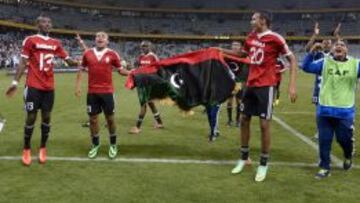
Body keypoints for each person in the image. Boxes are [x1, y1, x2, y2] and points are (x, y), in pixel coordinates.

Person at [230, 11, 298, 182]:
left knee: (263, 124)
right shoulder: (251, 36)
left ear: (263, 20)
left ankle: (263, 163)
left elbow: (293, 60)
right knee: (244, 119)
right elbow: (241, 55)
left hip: (266, 86)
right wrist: (218, 51)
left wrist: (292, 85)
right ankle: (244, 158)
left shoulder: (276, 38)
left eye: (253, 18)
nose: (251, 20)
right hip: (250, 84)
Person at [5, 15, 79, 166]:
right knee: (31, 117)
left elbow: (68, 60)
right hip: (33, 85)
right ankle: (26, 148)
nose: (47, 24)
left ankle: (43, 147)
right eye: (44, 22)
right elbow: (23, 62)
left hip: (49, 87)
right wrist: (15, 82)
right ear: (37, 25)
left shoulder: (56, 43)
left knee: (46, 117)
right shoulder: (30, 40)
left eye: (49, 22)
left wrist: (82, 60)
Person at [301, 40, 358, 179]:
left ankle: (348, 155)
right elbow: (306, 67)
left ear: (347, 50)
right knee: (324, 140)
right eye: (336, 45)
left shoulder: (355, 64)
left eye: (342, 45)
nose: (339, 46)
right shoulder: (324, 62)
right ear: (332, 49)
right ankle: (324, 167)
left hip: (345, 111)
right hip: (324, 110)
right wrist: (312, 51)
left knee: (344, 139)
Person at [75, 32, 129, 159]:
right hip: (92, 93)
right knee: (93, 120)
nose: (100, 38)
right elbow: (81, 69)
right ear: (95, 40)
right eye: (97, 36)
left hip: (107, 92)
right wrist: (78, 86)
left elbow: (120, 70)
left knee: (110, 119)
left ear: (107, 41)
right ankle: (95, 145)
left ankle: (113, 144)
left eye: (103, 37)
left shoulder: (112, 54)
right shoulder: (87, 54)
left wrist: (132, 73)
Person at [305, 22, 341, 140]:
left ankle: (334, 130)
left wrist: (336, 35)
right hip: (319, 87)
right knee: (320, 111)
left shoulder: (334, 55)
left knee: (334, 110)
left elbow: (341, 45)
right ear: (322, 43)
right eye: (324, 42)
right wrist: (315, 36)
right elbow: (307, 49)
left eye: (329, 42)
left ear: (331, 45)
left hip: (333, 87)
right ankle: (320, 131)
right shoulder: (318, 54)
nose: (326, 43)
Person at [129, 41, 163, 134]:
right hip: (141, 83)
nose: (144, 48)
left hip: (149, 84)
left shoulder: (153, 57)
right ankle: (160, 123)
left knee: (143, 104)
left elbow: (159, 68)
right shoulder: (140, 57)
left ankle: (137, 127)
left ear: (150, 47)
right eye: (142, 46)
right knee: (150, 103)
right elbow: (137, 68)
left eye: (146, 46)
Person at [226, 41, 249, 127]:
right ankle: (229, 120)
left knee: (239, 102)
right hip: (229, 82)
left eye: (237, 45)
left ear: (240, 47)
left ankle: (238, 120)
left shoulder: (243, 56)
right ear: (231, 47)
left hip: (239, 82)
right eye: (233, 45)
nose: (235, 47)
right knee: (229, 102)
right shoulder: (227, 56)